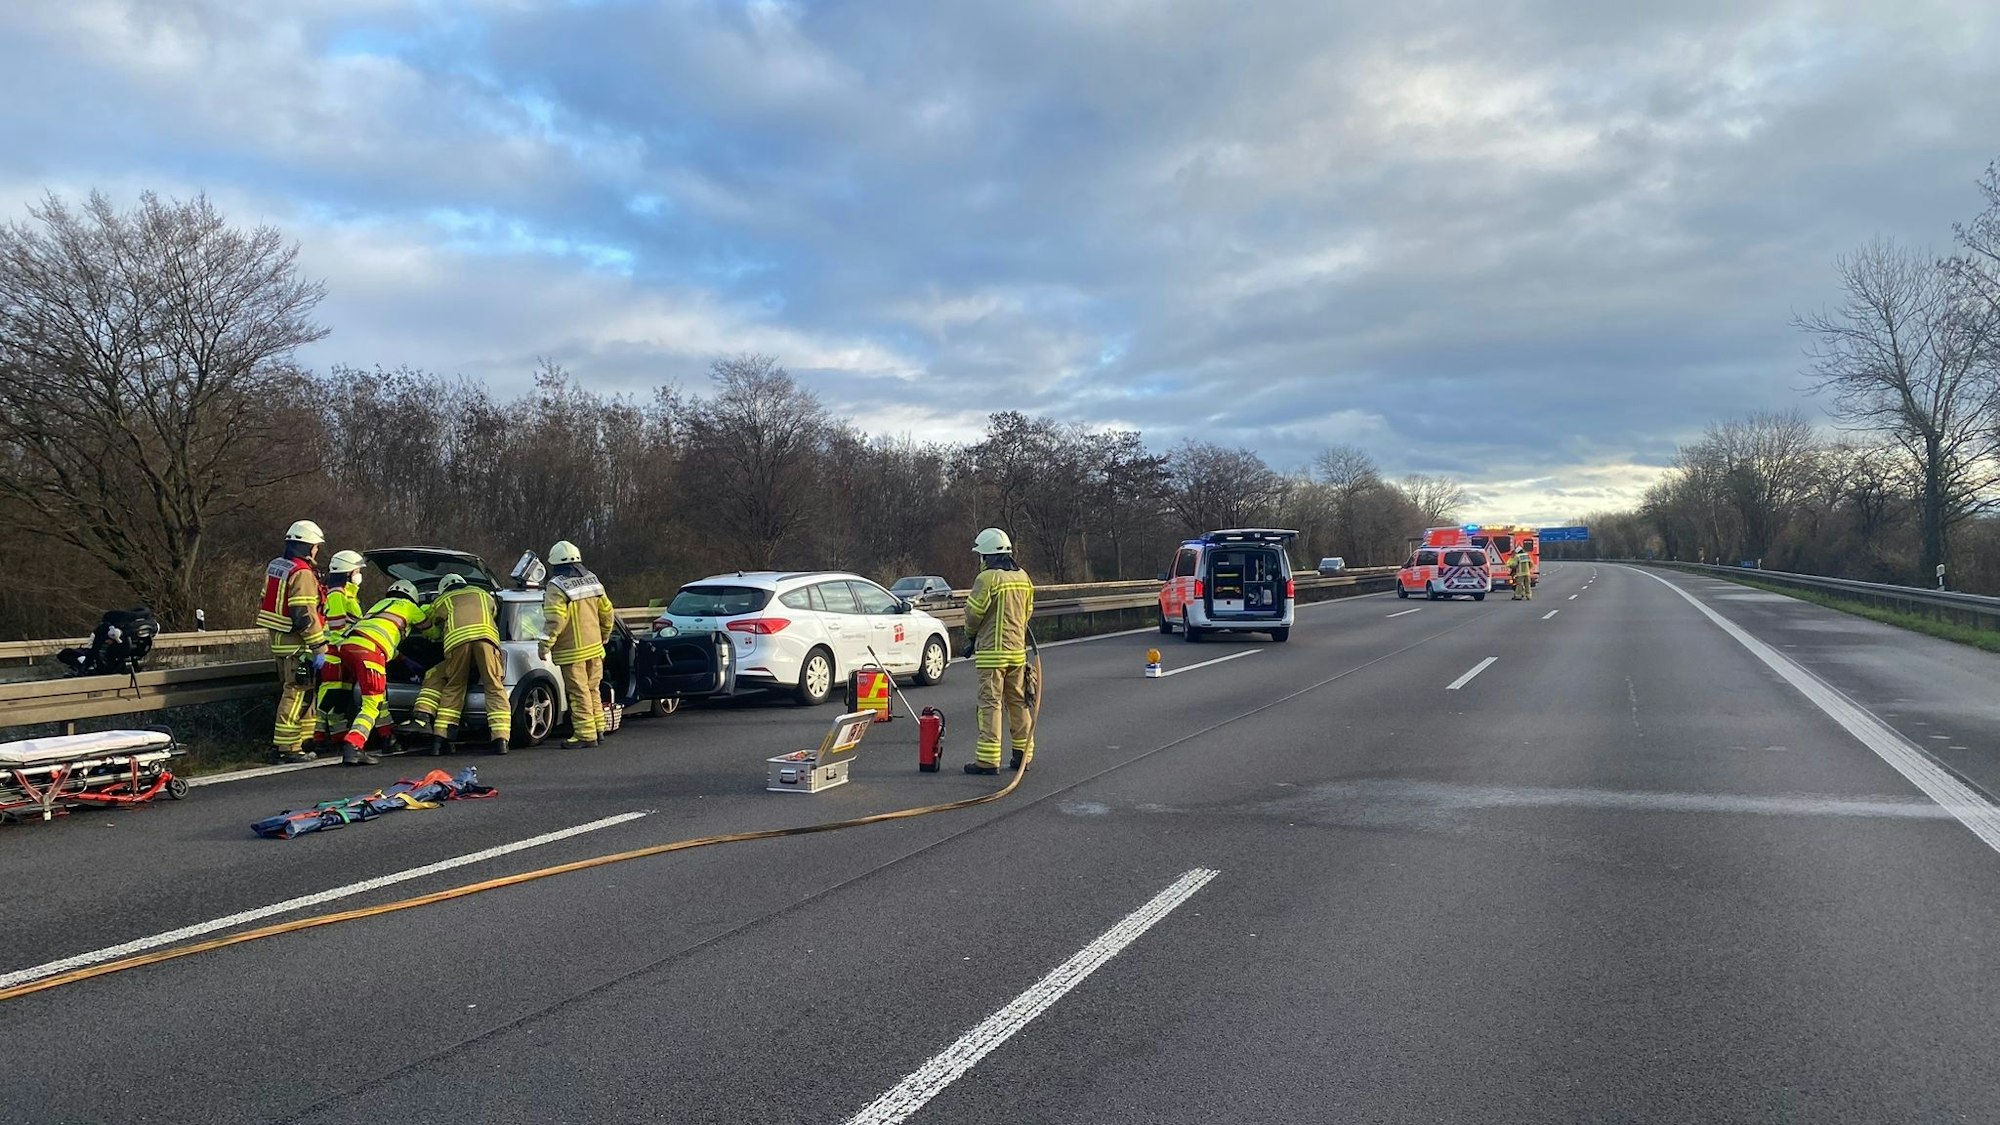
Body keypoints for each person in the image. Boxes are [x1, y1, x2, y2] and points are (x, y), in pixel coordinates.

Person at [315, 579, 429, 766]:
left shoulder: (378, 606)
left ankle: (387, 737)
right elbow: (431, 631)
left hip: (348, 646)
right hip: (371, 651)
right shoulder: (410, 607)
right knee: (372, 702)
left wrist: (404, 660)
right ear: (412, 596)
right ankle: (354, 744)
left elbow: (378, 633)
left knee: (378, 695)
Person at [963, 527, 1036, 775]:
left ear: (986, 556)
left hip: (991, 655)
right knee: (1018, 702)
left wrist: (970, 636)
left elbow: (974, 614)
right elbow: (1027, 613)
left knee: (990, 704)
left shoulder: (987, 579)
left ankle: (987, 761)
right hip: (1017, 653)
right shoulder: (1023, 577)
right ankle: (1022, 756)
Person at [411, 573, 512, 754]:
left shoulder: (444, 599)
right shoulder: (483, 593)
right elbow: (493, 611)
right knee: (494, 686)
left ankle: (440, 738)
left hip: (457, 642)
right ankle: (501, 739)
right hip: (486, 640)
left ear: (443, 588)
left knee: (454, 685)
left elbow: (430, 617)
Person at [255, 520, 329, 763]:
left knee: (302, 695)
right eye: (316, 546)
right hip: (298, 645)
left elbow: (267, 600)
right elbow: (302, 613)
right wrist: (318, 645)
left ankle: (301, 742)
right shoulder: (302, 572)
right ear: (308, 546)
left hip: (280, 642)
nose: (317, 551)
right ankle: (287, 748)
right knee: (296, 694)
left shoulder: (277, 567)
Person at [541, 540, 616, 749]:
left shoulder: (557, 586)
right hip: (595, 647)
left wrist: (544, 645)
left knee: (578, 692)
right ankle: (598, 729)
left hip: (572, 650)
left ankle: (585, 735)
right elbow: (608, 611)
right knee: (593, 689)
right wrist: (605, 634)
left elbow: (555, 619)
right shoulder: (592, 580)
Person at [322, 550, 368, 637]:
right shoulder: (337, 594)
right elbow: (336, 627)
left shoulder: (347, 592)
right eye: (357, 571)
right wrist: (339, 646)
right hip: (337, 644)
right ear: (348, 572)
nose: (359, 574)